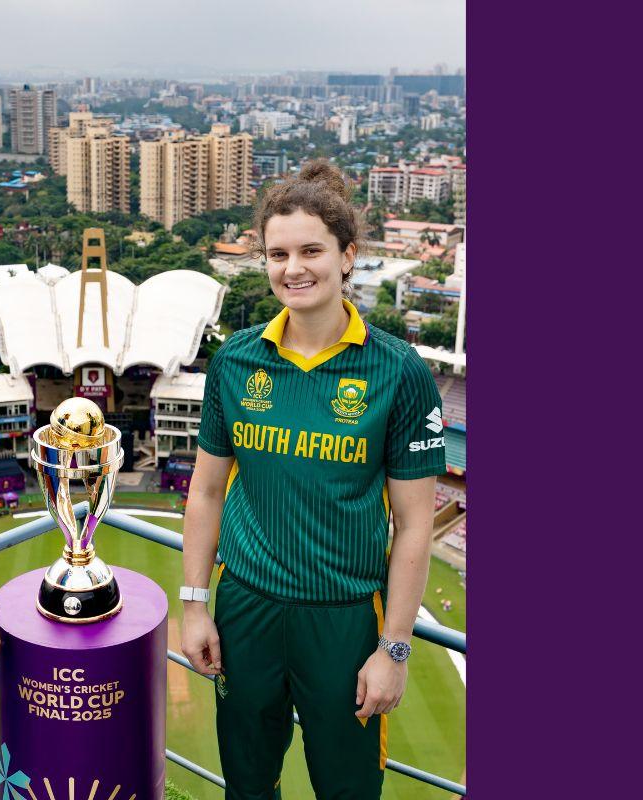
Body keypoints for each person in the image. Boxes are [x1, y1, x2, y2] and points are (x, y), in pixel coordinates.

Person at [179, 161, 445, 799]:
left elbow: (414, 525)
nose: (293, 269)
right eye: (278, 254)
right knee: (247, 784)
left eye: (311, 251)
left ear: (347, 256)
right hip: (246, 609)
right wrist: (194, 605)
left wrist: (394, 649)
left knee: (346, 789)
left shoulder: (398, 371)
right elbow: (206, 491)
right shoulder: (236, 360)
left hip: (344, 620)